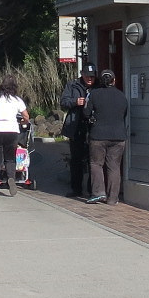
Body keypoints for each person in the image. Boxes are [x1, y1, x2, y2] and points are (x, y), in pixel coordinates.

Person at [84, 70, 130, 205]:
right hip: (118, 136)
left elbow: (86, 113)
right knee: (114, 166)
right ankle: (113, 198)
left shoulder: (94, 94)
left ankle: (98, 193)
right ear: (114, 81)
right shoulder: (122, 96)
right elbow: (124, 114)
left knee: (96, 164)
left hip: (98, 135)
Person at [0, 75, 30, 197]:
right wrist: (22, 122)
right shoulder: (17, 99)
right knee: (10, 159)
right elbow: (26, 117)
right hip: (11, 130)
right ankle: (11, 178)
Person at [60, 66, 96, 198]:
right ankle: (76, 189)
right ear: (82, 74)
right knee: (76, 159)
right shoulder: (72, 85)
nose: (90, 79)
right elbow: (63, 102)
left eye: (92, 76)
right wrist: (75, 102)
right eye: (87, 76)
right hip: (76, 126)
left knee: (93, 159)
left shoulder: (97, 87)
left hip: (93, 127)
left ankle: (92, 189)